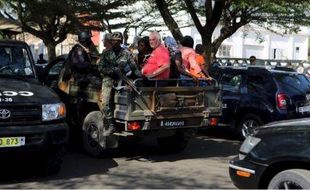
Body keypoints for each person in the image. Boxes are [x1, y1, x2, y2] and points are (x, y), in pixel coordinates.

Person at [98, 31, 142, 135]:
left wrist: (141, 76)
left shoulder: (126, 54)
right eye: (113, 40)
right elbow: (100, 67)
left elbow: (134, 68)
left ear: (121, 41)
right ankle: (111, 125)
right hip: (109, 79)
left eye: (117, 41)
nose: (114, 43)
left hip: (122, 79)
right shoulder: (106, 53)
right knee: (105, 102)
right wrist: (110, 71)